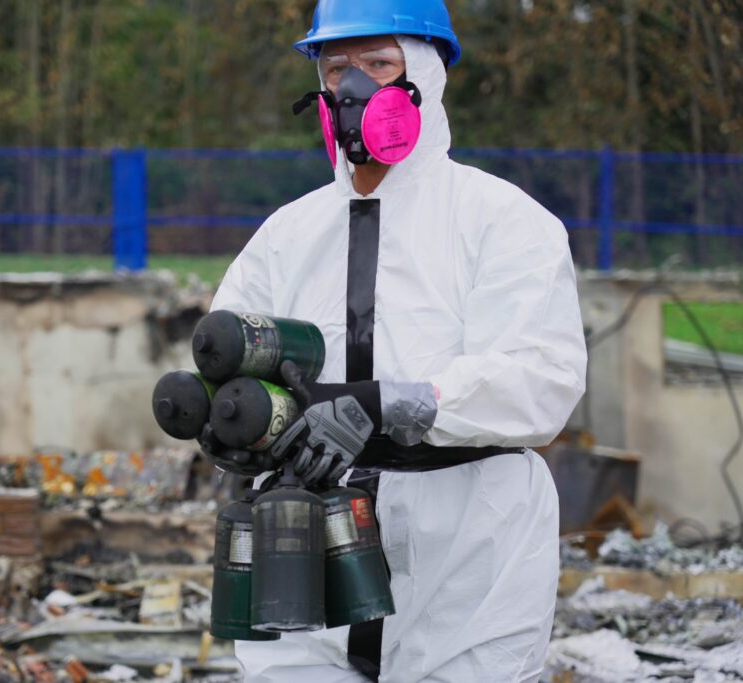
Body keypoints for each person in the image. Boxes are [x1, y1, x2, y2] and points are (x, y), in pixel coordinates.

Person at [204, 1, 588, 681]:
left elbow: (542, 380)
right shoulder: (286, 236)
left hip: (467, 543)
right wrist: (230, 423)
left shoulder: (502, 222)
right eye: (336, 69)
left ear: (429, 77)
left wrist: (394, 403)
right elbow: (229, 353)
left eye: (378, 64)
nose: (352, 89)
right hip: (307, 531)